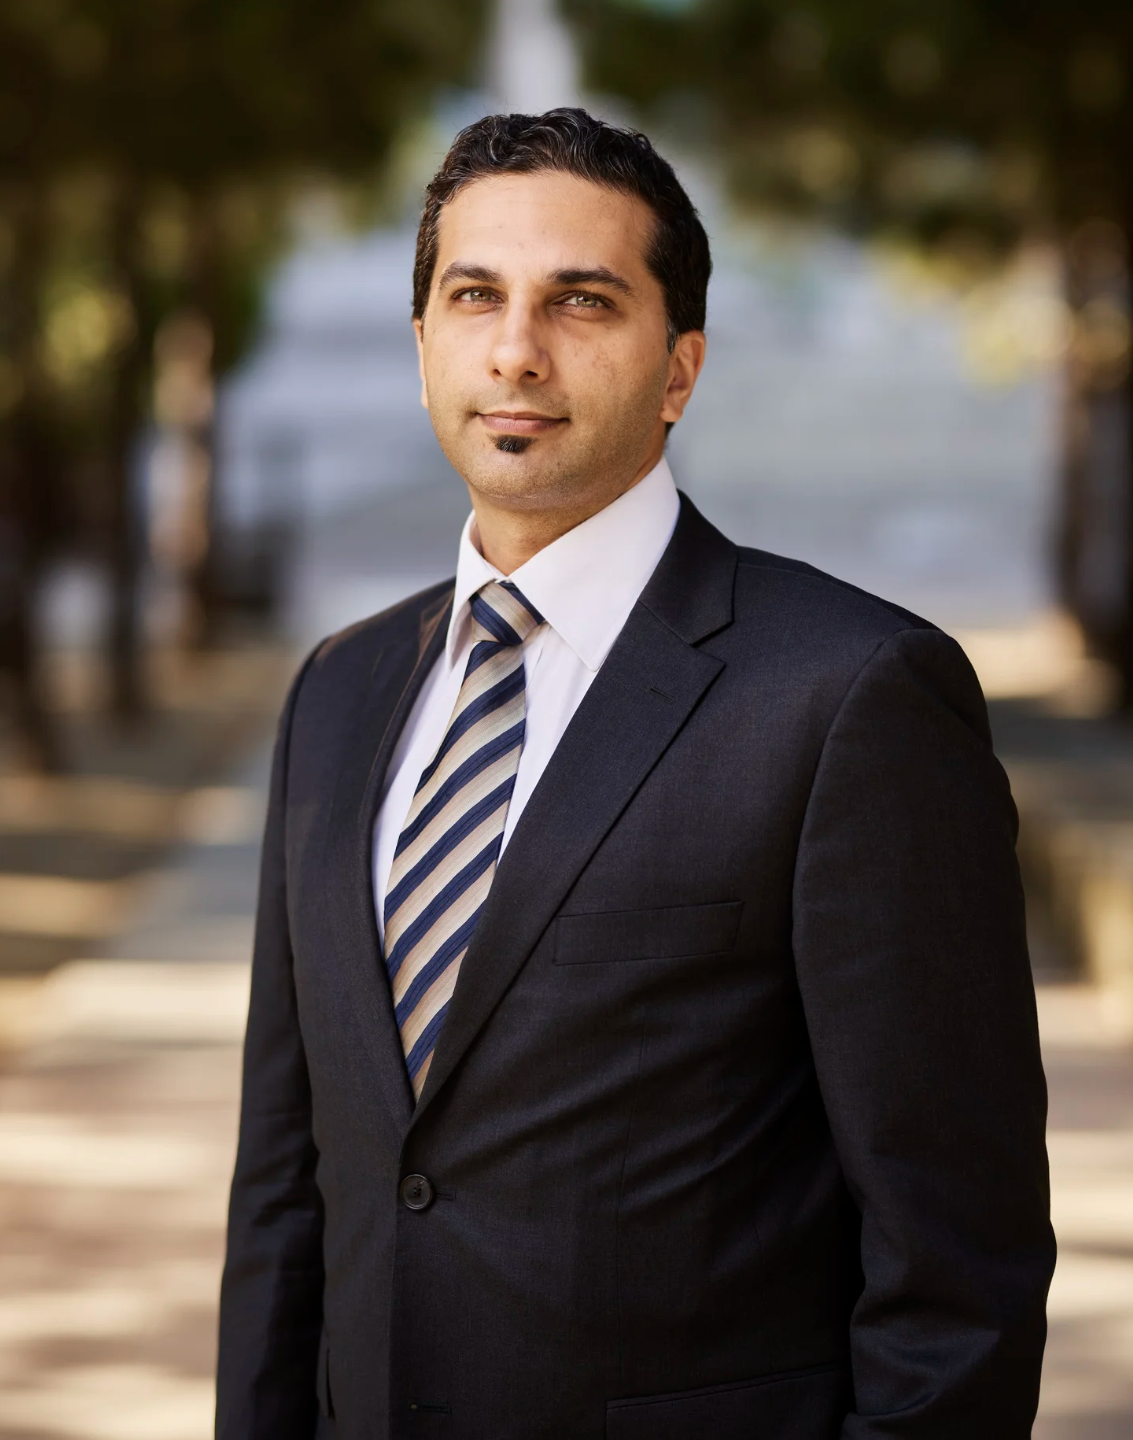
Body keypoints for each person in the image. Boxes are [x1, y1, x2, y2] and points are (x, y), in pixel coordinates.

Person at [216, 108, 1053, 1440]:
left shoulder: (851, 697)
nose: (516, 350)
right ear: (422, 341)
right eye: (472, 293)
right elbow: (285, 1192)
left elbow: (960, 1255)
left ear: (680, 366)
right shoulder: (337, 692)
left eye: (583, 302)